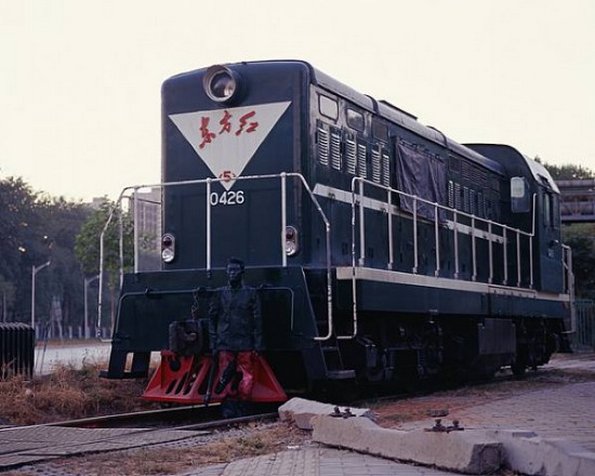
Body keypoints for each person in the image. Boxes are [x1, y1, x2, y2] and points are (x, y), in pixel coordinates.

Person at [208, 257, 263, 400]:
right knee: (225, 373)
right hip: (225, 341)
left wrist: (257, 343)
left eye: (235, 270)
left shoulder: (251, 293)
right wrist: (213, 343)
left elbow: (257, 319)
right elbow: (212, 318)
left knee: (246, 374)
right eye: (230, 270)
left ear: (242, 272)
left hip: (243, 341)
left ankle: (243, 400)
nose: (232, 273)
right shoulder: (219, 293)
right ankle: (229, 401)